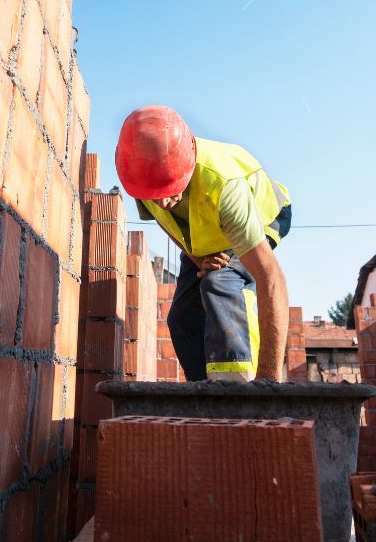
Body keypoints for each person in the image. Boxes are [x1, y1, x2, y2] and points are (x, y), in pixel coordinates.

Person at [114, 105, 293, 381]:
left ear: (185, 165)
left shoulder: (224, 186)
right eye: (154, 195)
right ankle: (202, 391)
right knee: (181, 317)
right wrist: (195, 257)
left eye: (169, 188)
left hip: (261, 214)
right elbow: (165, 220)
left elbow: (271, 277)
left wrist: (268, 381)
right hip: (207, 231)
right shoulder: (142, 176)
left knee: (220, 284)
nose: (162, 201)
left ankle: (240, 386)